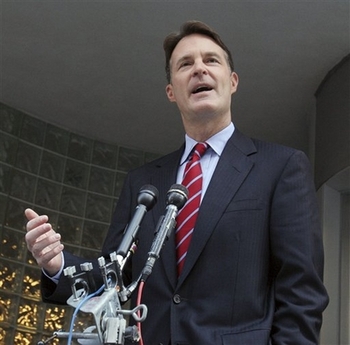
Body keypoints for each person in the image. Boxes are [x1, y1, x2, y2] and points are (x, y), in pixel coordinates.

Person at [25, 20, 329, 344]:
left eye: (211, 60)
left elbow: (301, 292)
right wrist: (58, 266)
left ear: (233, 81)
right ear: (171, 91)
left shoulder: (280, 167)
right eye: (185, 64)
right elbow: (115, 278)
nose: (199, 69)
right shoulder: (143, 183)